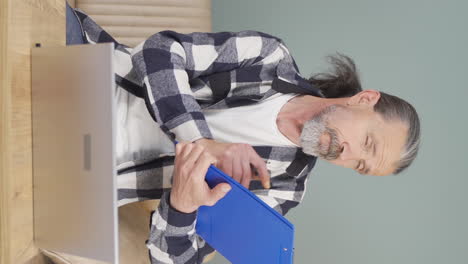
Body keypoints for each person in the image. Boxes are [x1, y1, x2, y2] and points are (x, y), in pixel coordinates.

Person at [68, 6, 420, 264]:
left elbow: (177, 260)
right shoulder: (269, 58)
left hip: (84, 176)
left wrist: (182, 206)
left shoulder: (282, 188)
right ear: (365, 99)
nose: (346, 153)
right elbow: (160, 51)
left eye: (359, 165)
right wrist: (198, 140)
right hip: (82, 65)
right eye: (367, 143)